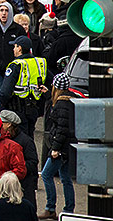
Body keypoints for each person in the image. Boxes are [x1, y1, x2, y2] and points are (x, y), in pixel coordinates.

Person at [39, 72, 75, 219]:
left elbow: (61, 129)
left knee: (47, 174)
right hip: (68, 148)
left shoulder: (61, 105)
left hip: (60, 148)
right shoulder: (68, 101)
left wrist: (55, 148)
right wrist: (48, 96)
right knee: (65, 178)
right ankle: (68, 209)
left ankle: (50, 207)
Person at [0, 36, 49, 138]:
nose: (13, 49)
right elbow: (51, 80)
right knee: (30, 137)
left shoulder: (16, 65)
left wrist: (1, 105)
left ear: (20, 48)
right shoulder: (40, 63)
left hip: (18, 108)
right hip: (34, 107)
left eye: (15, 46)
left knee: (19, 139)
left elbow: (5, 91)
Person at [0, 110, 39, 210]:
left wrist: (17, 168)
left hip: (23, 184)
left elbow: (33, 162)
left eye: (2, 123)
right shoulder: (2, 139)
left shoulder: (25, 141)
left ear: (9, 124)